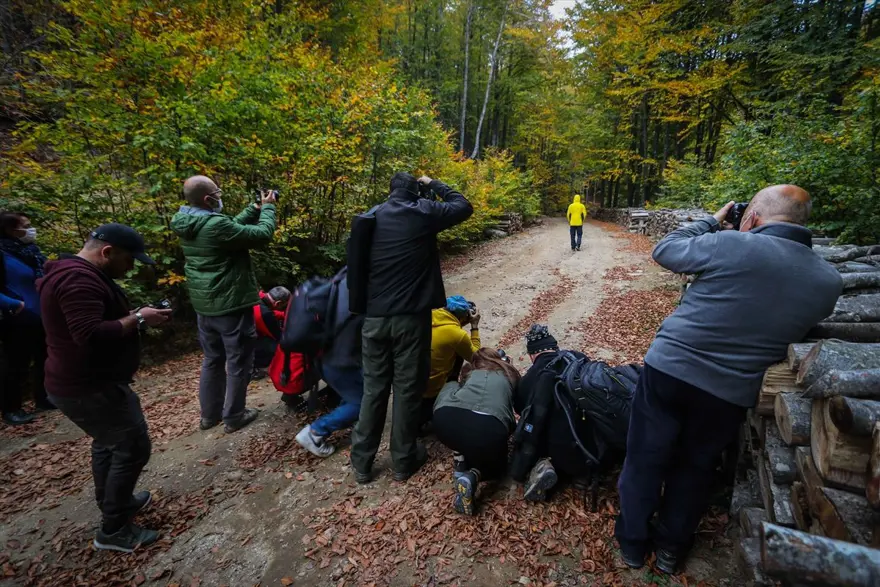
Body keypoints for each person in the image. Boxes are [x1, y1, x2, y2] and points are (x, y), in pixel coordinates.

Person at [615, 185, 842, 573]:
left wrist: (714, 219)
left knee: (644, 458)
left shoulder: (731, 244)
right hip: (731, 391)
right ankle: (671, 551)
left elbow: (666, 249)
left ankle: (633, 544)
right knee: (696, 467)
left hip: (670, 370)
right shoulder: (828, 281)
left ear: (752, 218)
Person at [37, 223, 171, 552]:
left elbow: (89, 323)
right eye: (130, 259)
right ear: (107, 252)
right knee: (132, 446)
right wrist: (139, 319)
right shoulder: (77, 279)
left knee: (108, 444)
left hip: (87, 384)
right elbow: (90, 334)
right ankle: (113, 528)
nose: (132, 266)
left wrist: (134, 314)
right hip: (89, 387)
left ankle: (117, 502)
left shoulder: (76, 274)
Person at [350, 172, 473, 484]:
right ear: (416, 191)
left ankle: (362, 463)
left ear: (389, 191)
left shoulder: (372, 216)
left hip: (374, 319)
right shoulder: (424, 211)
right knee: (406, 389)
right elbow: (463, 205)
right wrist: (433, 183)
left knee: (374, 389)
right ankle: (403, 460)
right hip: (411, 320)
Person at [170, 176, 277, 434]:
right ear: (208, 198)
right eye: (217, 192)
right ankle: (234, 416)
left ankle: (210, 416)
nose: (220, 195)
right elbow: (263, 234)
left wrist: (254, 209)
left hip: (205, 305)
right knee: (239, 361)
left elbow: (229, 227)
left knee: (212, 360)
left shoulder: (188, 221)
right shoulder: (215, 225)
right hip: (230, 305)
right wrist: (270, 208)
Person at [511, 325, 597, 501]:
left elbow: (521, 411)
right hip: (594, 445)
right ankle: (581, 474)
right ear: (555, 347)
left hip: (558, 448)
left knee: (536, 425)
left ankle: (548, 466)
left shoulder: (530, 378)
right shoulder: (578, 358)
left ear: (532, 354)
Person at [433, 348, 519, 515]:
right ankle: (472, 476)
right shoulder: (509, 375)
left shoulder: (471, 373)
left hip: (445, 422)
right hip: (488, 429)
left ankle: (459, 456)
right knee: (498, 468)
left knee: (452, 386)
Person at [296, 268, 365, 457]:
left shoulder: (340, 279)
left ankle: (345, 417)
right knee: (361, 403)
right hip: (341, 359)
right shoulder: (359, 288)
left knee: (352, 393)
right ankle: (315, 432)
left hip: (323, 354)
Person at [0, 211, 53, 425]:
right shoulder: (2, 254)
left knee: (44, 358)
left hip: (41, 315)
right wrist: (14, 305)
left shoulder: (29, 251)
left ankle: (44, 398)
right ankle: (11, 409)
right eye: (26, 226)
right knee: (16, 363)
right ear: (10, 230)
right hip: (16, 318)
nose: (31, 230)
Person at [422, 296, 481, 424]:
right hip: (431, 389)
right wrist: (474, 326)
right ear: (463, 316)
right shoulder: (456, 334)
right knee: (460, 352)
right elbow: (476, 357)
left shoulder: (428, 316)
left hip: (413, 383)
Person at [253, 286, 290, 379]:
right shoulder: (265, 315)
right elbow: (279, 337)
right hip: (246, 345)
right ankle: (254, 367)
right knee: (279, 347)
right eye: (284, 306)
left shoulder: (258, 296)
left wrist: (283, 315)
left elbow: (271, 311)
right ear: (278, 303)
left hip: (232, 335)